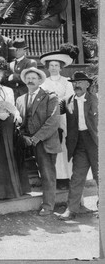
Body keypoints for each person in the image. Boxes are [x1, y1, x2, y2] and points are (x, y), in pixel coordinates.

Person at [15, 67, 60, 216]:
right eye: (28, 78)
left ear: (40, 80)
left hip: (44, 142)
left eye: (34, 78)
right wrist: (24, 137)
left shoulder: (50, 96)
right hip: (26, 142)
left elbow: (53, 122)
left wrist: (35, 138)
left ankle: (48, 206)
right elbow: (19, 122)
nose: (30, 80)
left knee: (47, 175)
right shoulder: (20, 99)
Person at [0, 58, 26, 200]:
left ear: (2, 76)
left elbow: (12, 106)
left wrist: (17, 114)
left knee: (12, 153)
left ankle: (13, 190)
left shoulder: (8, 90)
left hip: (9, 125)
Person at [58, 72, 98, 220]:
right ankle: (72, 209)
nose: (77, 85)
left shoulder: (97, 99)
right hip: (78, 143)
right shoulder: (67, 100)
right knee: (77, 177)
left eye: (80, 82)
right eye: (74, 82)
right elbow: (53, 109)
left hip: (95, 142)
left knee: (100, 176)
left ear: (87, 84)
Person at [40, 44, 78, 189]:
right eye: (51, 65)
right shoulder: (44, 82)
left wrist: (59, 109)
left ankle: (67, 178)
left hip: (64, 118)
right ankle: (54, 178)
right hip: (49, 118)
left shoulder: (67, 81)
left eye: (56, 65)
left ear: (60, 67)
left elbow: (69, 99)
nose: (54, 68)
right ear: (48, 68)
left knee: (65, 146)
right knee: (52, 145)